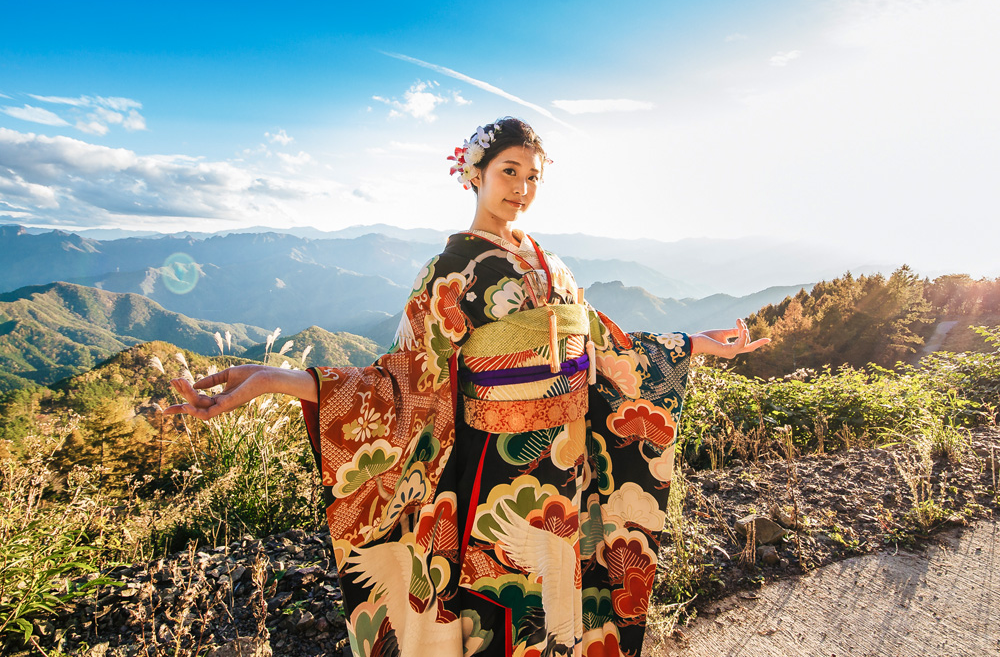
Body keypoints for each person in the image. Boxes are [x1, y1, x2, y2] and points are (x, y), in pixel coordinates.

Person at [166, 117, 768, 657]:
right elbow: (404, 379)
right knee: (503, 593)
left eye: (533, 176)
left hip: (570, 457)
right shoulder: (452, 271)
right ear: (473, 174)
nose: (522, 188)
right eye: (509, 172)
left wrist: (693, 343)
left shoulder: (553, 265)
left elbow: (603, 347)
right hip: (496, 469)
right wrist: (275, 379)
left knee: (567, 588)